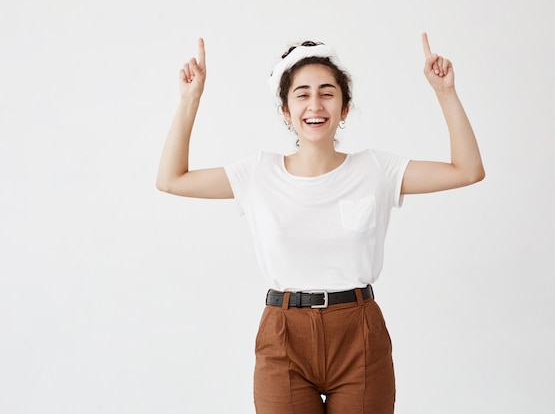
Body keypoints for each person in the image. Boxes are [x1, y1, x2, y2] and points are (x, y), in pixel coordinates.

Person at [157, 33, 484, 414]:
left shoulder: (376, 169)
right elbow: (171, 179)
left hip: (358, 331)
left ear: (345, 108)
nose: (316, 104)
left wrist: (445, 92)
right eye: (302, 94)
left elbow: (468, 170)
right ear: (285, 110)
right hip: (283, 336)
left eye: (327, 93)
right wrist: (189, 100)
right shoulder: (257, 173)